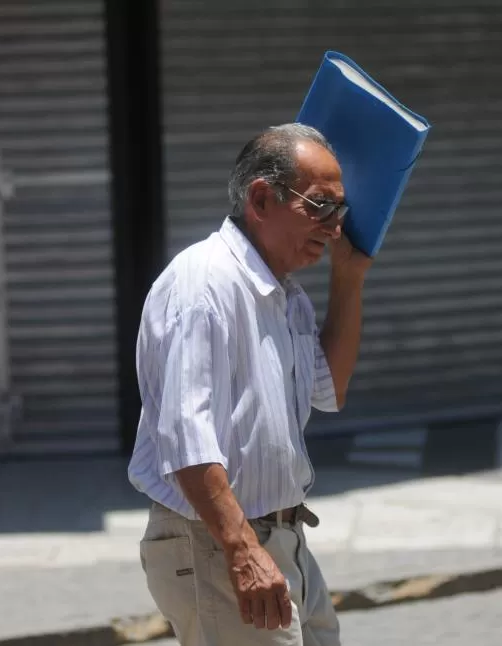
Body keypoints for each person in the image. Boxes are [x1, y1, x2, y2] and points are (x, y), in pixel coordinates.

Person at [127, 123, 371, 645]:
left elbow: (331, 387)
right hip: (217, 543)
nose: (334, 227)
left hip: (283, 538)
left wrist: (348, 281)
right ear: (262, 199)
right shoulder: (203, 283)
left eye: (340, 211)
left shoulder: (284, 295)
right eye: (320, 206)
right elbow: (184, 435)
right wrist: (241, 550)